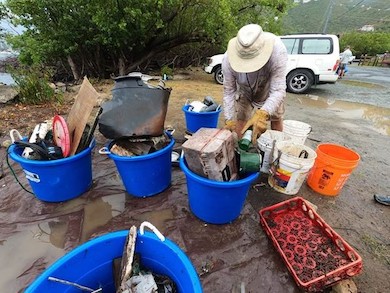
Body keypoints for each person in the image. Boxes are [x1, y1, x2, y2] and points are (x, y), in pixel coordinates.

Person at [222, 23, 288, 145]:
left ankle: (277, 148)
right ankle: (242, 150)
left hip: (268, 87)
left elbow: (278, 90)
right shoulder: (227, 59)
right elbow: (229, 91)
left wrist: (263, 113)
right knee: (241, 119)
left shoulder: (277, 51)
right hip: (244, 90)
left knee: (276, 117)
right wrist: (229, 119)